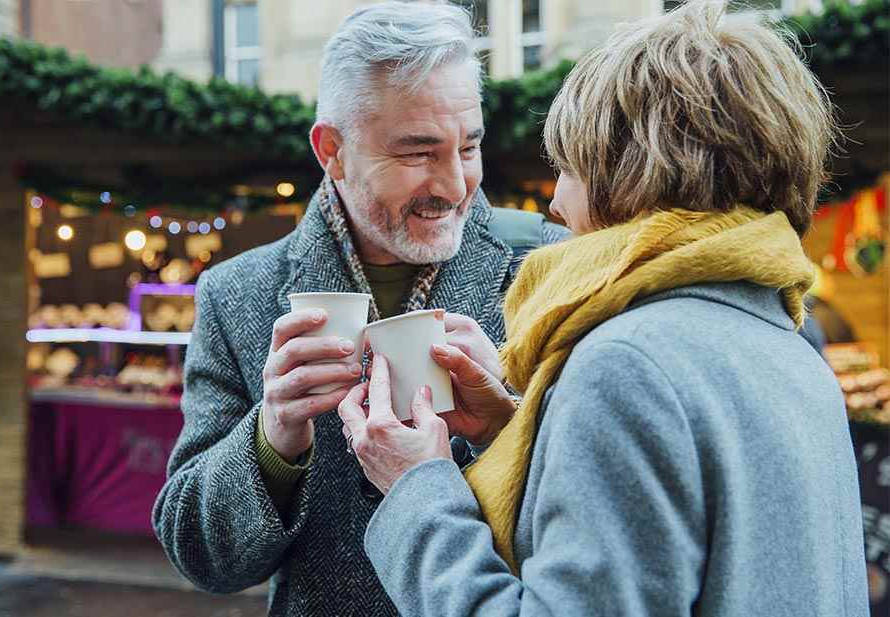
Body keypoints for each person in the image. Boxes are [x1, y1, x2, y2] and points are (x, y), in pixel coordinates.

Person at [340, 2, 869, 615]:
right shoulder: (787, 345)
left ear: (628, 174)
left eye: (568, 168)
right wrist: (512, 430)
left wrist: (415, 488)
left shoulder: (627, 365)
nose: (556, 204)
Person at [151, 2, 568, 616]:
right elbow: (199, 557)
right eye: (418, 153)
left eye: (469, 146)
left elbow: (597, 522)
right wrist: (270, 440)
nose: (455, 185)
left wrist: (507, 419)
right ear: (333, 151)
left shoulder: (550, 268)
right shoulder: (237, 292)